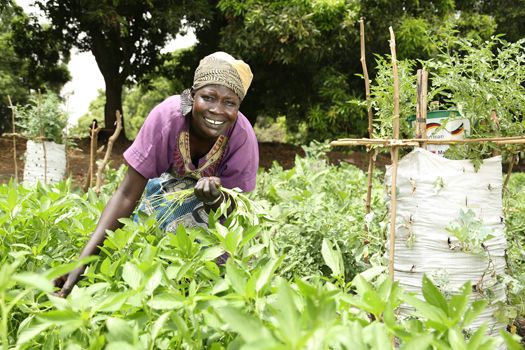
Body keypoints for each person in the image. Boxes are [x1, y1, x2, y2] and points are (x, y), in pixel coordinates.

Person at [54, 52, 259, 297]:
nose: (217, 110)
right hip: (166, 197)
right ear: (192, 96)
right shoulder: (167, 118)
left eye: (230, 103)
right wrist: (80, 265)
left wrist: (216, 200)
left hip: (219, 217)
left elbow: (238, 209)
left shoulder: (242, 137)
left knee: (227, 274)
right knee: (149, 250)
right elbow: (127, 195)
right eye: (208, 97)